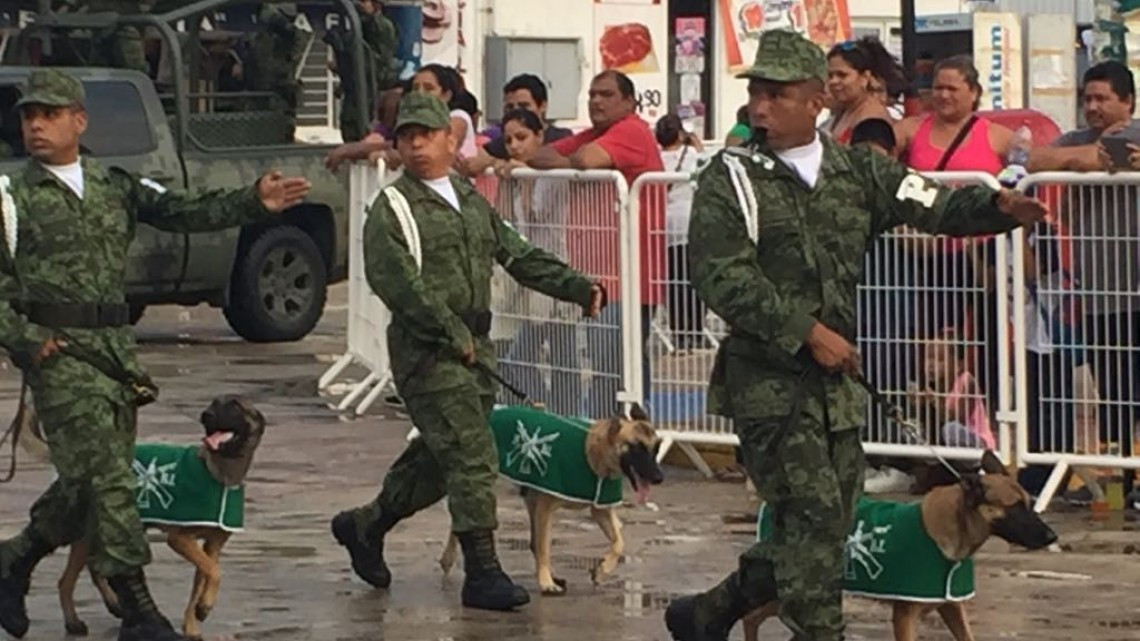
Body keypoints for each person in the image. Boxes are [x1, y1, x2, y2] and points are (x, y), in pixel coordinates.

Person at [663, 29, 1046, 641]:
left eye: (778, 93)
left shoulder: (858, 169)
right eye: (756, 92)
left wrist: (998, 211)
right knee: (813, 519)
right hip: (768, 383)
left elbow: (934, 206)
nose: (760, 107)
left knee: (828, 524)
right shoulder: (730, 179)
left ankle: (708, 612)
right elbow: (720, 276)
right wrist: (806, 330)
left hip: (836, 383)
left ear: (816, 97)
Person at [0, 69, 311, 641]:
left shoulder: (113, 184)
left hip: (113, 356)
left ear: (79, 120)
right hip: (59, 355)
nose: (35, 124)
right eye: (27, 115)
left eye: (48, 113)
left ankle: (14, 560)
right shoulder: (10, 197)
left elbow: (182, 210)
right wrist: (23, 339)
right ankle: (139, 610)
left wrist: (253, 201)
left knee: (89, 482)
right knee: (111, 481)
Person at [329, 92, 605, 612]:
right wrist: (451, 334)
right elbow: (401, 287)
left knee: (440, 460)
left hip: (477, 345)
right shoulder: (392, 208)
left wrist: (575, 285)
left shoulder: (467, 195)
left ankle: (366, 525)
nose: (415, 145)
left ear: (449, 138)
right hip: (429, 352)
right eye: (405, 136)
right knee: (474, 454)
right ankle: (482, 571)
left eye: (425, 134)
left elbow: (515, 253)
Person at [1025, 60, 1140, 497]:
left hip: (1134, 284)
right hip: (1097, 293)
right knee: (1114, 396)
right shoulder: (1076, 140)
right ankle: (1119, 485)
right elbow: (1030, 156)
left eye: (1102, 98)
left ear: (1127, 101)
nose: (1092, 107)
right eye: (1087, 98)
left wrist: (1098, 161)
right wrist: (1085, 159)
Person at [529, 70, 665, 418]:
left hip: (632, 272)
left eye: (606, 94)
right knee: (616, 362)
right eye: (592, 94)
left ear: (629, 101)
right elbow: (539, 156)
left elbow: (587, 160)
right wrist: (570, 161)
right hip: (602, 271)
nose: (596, 101)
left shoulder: (632, 130)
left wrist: (572, 161)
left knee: (615, 362)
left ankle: (617, 432)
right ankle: (621, 431)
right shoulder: (595, 135)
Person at [493, 109, 581, 415]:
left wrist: (527, 178)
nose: (515, 146)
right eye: (508, 141)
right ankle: (552, 410)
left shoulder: (551, 175)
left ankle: (562, 411)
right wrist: (508, 181)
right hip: (530, 274)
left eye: (522, 137)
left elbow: (536, 214)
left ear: (539, 136)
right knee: (529, 354)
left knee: (557, 355)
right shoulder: (516, 175)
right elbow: (504, 218)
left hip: (554, 269)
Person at [462, 73, 574, 176]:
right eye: (509, 107)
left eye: (524, 106)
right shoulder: (503, 142)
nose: (513, 145)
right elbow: (478, 157)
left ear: (542, 106)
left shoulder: (563, 138)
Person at [656, 113, 704, 350]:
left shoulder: (655, 159)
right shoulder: (692, 155)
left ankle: (677, 332)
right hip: (689, 223)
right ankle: (696, 330)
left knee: (672, 280)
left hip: (663, 226)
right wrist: (696, 146)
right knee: (694, 279)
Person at [325, 0, 399, 143]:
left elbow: (376, 62)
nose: (359, 4)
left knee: (359, 126)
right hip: (357, 86)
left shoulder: (381, 26)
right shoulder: (362, 24)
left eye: (364, 1)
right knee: (349, 126)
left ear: (376, 5)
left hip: (371, 87)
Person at [822, 36, 904, 143]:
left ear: (864, 77)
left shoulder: (872, 120)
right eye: (830, 75)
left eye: (842, 75)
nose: (833, 81)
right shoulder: (846, 110)